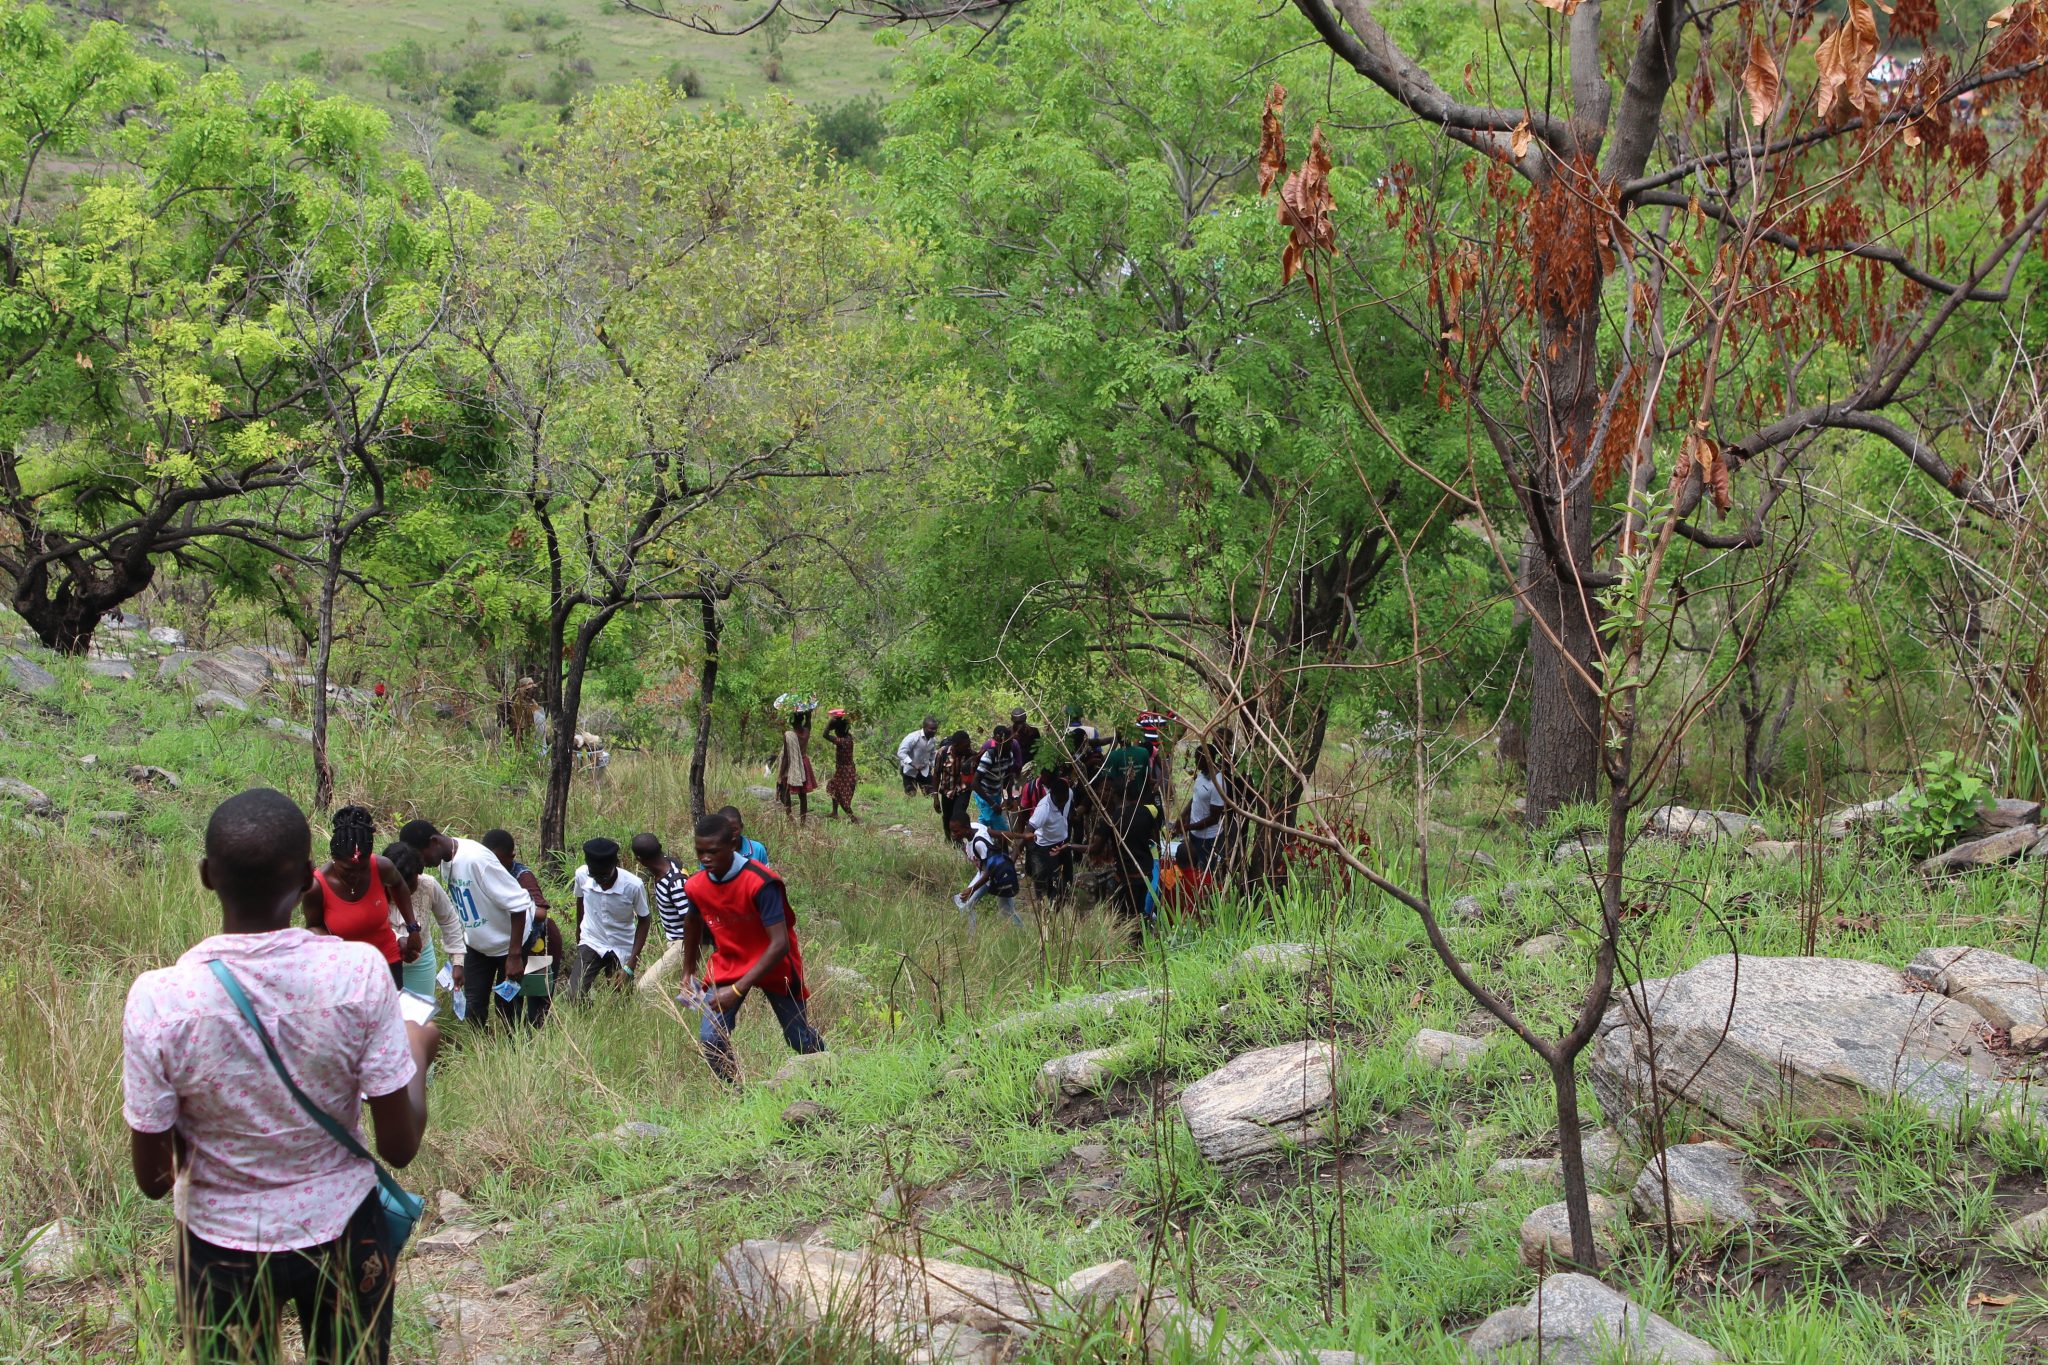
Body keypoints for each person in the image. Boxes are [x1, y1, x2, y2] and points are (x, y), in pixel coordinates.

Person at [125, 788, 439, 1365]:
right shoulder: (358, 974)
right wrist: (417, 1049)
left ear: (205, 876)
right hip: (346, 1232)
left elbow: (154, 1179)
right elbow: (399, 1147)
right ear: (304, 882)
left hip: (220, 1250)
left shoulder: (160, 999)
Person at [679, 811, 825, 1083]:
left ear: (733, 844)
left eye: (712, 851)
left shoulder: (761, 882)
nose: (704, 858)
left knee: (799, 1040)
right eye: (699, 852)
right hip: (730, 962)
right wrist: (688, 970)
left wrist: (736, 990)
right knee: (711, 1039)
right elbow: (693, 921)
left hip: (774, 964)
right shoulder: (696, 886)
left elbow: (779, 944)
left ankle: (830, 1069)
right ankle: (737, 1096)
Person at [399, 820, 544, 1028]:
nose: (419, 865)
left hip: (509, 945)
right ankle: (479, 1053)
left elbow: (519, 905)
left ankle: (516, 1053)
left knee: (509, 1010)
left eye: (420, 857)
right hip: (478, 947)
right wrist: (458, 960)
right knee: (473, 1008)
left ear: (434, 842)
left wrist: (514, 956)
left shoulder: (476, 860)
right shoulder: (445, 861)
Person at [300, 806, 417, 990]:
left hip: (387, 963)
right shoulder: (316, 887)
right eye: (347, 870)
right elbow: (313, 926)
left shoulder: (381, 867)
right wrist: (337, 951)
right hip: (346, 972)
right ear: (333, 858)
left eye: (362, 869)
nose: (355, 875)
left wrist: (412, 929)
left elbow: (399, 885)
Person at [567, 837, 650, 999]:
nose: (600, 882)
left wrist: (631, 963)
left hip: (622, 945)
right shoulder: (582, 875)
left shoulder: (633, 885)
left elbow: (644, 919)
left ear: (615, 864)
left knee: (620, 998)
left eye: (604, 876)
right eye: (595, 876)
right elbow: (580, 901)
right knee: (574, 994)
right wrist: (579, 934)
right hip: (592, 940)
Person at [381, 841, 465, 1003]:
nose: (403, 891)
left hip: (420, 964)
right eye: (397, 886)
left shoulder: (428, 885)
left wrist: (457, 961)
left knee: (419, 1016)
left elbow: (449, 920)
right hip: (381, 964)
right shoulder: (372, 888)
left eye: (410, 884)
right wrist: (398, 940)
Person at [481, 829, 567, 976]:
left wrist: (513, 907)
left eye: (498, 861)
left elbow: (541, 913)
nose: (494, 866)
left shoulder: (523, 877)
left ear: (512, 856)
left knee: (537, 994)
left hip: (539, 944)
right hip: (509, 944)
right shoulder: (484, 873)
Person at [1092, 784, 1165, 928]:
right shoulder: (1147, 813)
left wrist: (1069, 846)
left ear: (1118, 796)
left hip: (1126, 875)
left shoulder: (1113, 819)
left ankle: (1131, 941)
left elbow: (1095, 849)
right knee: (1139, 910)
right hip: (1145, 873)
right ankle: (1141, 940)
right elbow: (1156, 843)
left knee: (1124, 914)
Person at [947, 811, 1022, 928]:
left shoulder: (979, 844)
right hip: (984, 874)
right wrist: (1022, 836)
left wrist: (972, 889)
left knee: (1007, 911)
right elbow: (998, 833)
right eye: (951, 831)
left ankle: (1022, 936)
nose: (953, 834)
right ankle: (972, 941)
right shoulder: (975, 827)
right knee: (966, 905)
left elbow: (991, 871)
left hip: (998, 877)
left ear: (966, 828)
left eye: (956, 831)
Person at [1026, 771, 1077, 905]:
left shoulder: (1069, 794)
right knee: (1051, 880)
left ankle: (1064, 902)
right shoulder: (1044, 808)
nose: (1061, 804)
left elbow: (1070, 807)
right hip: (1047, 847)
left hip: (1063, 842)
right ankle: (1047, 905)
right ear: (1051, 795)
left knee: (1067, 876)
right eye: (1058, 801)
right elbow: (1028, 830)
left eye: (1063, 800)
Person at [1177, 743, 1229, 872]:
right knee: (1193, 869)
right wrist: (1183, 816)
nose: (1195, 762)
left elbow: (1214, 818)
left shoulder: (1218, 783)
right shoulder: (1201, 774)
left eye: (1197, 759)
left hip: (1208, 839)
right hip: (1194, 834)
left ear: (1207, 759)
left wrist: (1188, 827)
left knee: (1205, 871)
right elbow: (1195, 798)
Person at [933, 730, 976, 838]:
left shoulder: (971, 754)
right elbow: (937, 774)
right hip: (947, 791)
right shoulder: (942, 753)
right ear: (956, 746)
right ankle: (949, 838)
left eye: (969, 745)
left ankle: (958, 841)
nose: (968, 747)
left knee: (958, 815)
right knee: (947, 816)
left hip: (963, 790)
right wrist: (935, 797)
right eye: (965, 746)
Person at [777, 708, 818, 823]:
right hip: (804, 763)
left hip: (792, 764)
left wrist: (780, 775)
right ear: (802, 719)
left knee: (785, 791)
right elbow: (808, 722)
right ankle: (802, 821)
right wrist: (808, 715)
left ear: (791, 721)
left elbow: (785, 757)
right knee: (803, 794)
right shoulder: (806, 731)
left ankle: (789, 817)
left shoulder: (789, 735)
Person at [822, 710, 861, 822]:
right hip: (846, 769)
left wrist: (830, 724)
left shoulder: (842, 741)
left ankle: (852, 817)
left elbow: (825, 735)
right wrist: (838, 720)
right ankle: (835, 812)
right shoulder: (848, 737)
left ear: (838, 731)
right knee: (834, 787)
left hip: (845, 771)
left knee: (841, 794)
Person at [974, 724, 1014, 830]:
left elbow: (1009, 777)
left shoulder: (1009, 755)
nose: (1011, 744)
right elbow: (974, 783)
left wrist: (1009, 797)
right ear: (999, 740)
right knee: (999, 823)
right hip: (984, 794)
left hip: (996, 792)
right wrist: (991, 804)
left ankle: (978, 833)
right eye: (1009, 741)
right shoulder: (989, 757)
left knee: (986, 818)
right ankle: (1004, 844)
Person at [896, 715, 940, 795]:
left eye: (935, 729)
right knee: (911, 794)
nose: (934, 731)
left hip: (925, 771)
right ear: (924, 727)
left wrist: (936, 766)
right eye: (931, 729)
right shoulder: (913, 737)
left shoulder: (933, 740)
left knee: (932, 794)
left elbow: (933, 755)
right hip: (909, 771)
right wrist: (913, 764)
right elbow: (901, 752)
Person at [1007, 708, 1041, 795]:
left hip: (1030, 770)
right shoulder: (1008, 733)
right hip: (1013, 772)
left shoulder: (1033, 732)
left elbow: (1038, 752)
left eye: (1021, 722)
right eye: (1017, 723)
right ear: (1012, 720)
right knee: (1015, 796)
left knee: (1029, 794)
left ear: (1025, 719)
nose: (1019, 726)